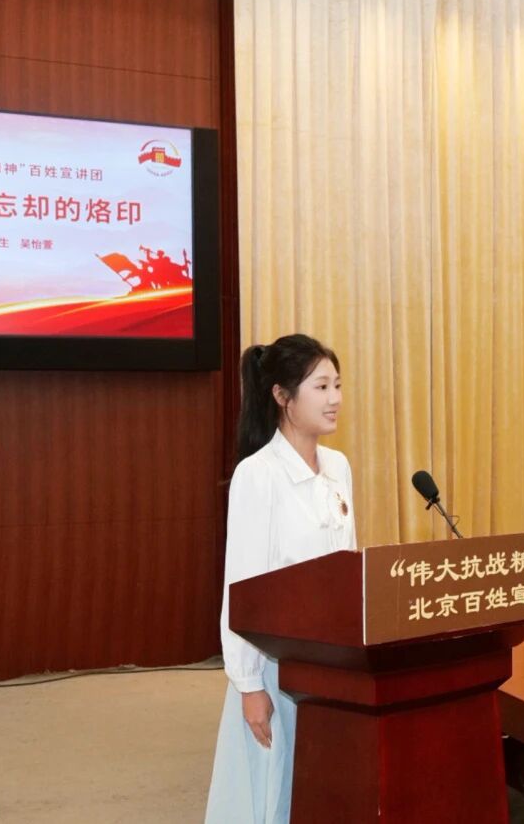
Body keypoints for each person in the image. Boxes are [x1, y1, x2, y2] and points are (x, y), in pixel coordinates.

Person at [205, 333, 355, 823]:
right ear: (282, 396)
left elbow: (346, 565)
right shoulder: (258, 475)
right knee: (272, 791)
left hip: (332, 659)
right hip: (276, 663)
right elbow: (242, 585)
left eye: (337, 385)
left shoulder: (338, 467)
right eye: (321, 387)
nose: (334, 398)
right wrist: (249, 684)